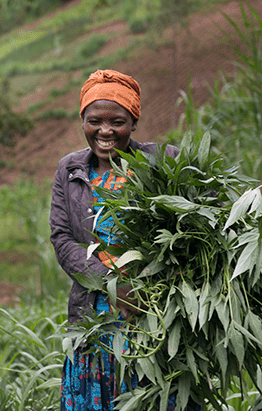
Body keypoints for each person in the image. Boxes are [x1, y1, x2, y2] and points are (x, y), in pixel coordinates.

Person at [49, 69, 197, 411]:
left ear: (134, 122)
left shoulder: (164, 161)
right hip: (94, 313)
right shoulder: (70, 171)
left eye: (117, 121)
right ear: (82, 121)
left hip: (156, 314)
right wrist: (113, 285)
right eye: (94, 120)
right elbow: (62, 238)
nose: (105, 131)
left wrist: (147, 284)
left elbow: (196, 220)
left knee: (157, 396)